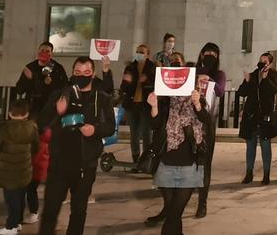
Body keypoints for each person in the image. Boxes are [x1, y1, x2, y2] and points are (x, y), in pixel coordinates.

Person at [36, 57, 116, 235]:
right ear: (72, 73)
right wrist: (56, 112)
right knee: (50, 211)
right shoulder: (60, 94)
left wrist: (95, 129)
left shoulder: (101, 98)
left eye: (86, 73)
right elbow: (42, 121)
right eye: (77, 73)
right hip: (59, 162)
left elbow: (110, 127)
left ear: (93, 74)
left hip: (85, 164)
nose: (82, 76)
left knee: (79, 212)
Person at [146, 72, 217, 234]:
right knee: (173, 214)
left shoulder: (197, 100)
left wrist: (197, 104)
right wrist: (154, 106)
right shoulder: (165, 101)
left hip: (189, 167)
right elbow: (155, 125)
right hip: (166, 165)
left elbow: (207, 120)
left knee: (174, 213)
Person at [0, 99, 40, 235]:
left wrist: (1, 158)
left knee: (11, 199)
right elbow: (36, 147)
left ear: (10, 113)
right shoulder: (32, 128)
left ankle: (11, 226)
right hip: (24, 168)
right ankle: (18, 221)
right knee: (20, 195)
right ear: (26, 114)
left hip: (6, 170)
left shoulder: (2, 129)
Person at [238, 51, 277, 185]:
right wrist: (247, 81)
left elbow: (273, 90)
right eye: (261, 60)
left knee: (265, 144)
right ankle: (249, 172)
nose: (262, 63)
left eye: (265, 61)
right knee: (250, 145)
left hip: (265, 115)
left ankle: (266, 174)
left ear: (270, 63)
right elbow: (242, 92)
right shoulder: (253, 74)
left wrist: (266, 78)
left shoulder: (273, 75)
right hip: (251, 115)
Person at [120, 44, 156, 172]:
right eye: (137, 51)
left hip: (145, 105)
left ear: (147, 54)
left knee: (147, 134)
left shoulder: (152, 68)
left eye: (142, 52)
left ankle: (147, 162)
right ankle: (136, 162)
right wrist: (130, 81)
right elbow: (124, 86)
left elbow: (155, 86)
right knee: (134, 134)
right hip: (132, 105)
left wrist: (145, 81)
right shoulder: (130, 67)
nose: (139, 53)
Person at [17, 42, 69, 118]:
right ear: (38, 52)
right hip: (32, 108)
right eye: (42, 50)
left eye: (47, 51)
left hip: (51, 107)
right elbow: (19, 89)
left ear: (52, 53)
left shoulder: (57, 68)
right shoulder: (30, 67)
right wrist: (28, 80)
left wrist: (51, 84)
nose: (44, 53)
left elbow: (64, 87)